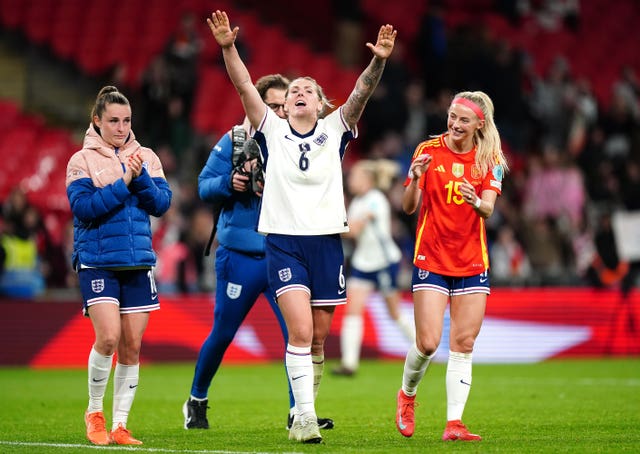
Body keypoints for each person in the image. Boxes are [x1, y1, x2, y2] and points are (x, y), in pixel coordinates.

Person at [207, 10, 396, 443]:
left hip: (327, 243)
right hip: (285, 243)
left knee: (319, 339)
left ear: (320, 102)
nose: (298, 93)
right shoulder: (270, 130)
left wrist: (378, 61)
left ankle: (305, 410)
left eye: (307, 90)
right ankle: (304, 419)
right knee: (301, 331)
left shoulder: (336, 127)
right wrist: (228, 47)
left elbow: (362, 92)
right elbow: (242, 85)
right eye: (293, 90)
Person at [182, 74, 333, 432]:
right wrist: (229, 183)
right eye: (274, 105)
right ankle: (197, 399)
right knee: (223, 332)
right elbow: (203, 188)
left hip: (283, 254)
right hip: (240, 256)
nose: (281, 111)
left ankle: (300, 412)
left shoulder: (292, 143)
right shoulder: (233, 142)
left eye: (284, 105)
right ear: (257, 105)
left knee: (297, 335)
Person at [395, 91, 508, 442]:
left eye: (463, 119)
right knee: (428, 343)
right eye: (452, 116)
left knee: (464, 342)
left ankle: (454, 423)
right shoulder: (427, 151)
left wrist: (477, 201)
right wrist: (414, 179)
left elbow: (488, 209)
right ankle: (407, 395)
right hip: (432, 257)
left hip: (472, 260)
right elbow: (409, 207)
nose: (455, 124)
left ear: (479, 124)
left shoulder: (492, 160)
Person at [65, 86, 172, 445]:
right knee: (108, 337)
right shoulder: (81, 161)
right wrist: (124, 181)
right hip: (97, 262)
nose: (121, 127)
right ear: (96, 120)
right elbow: (85, 209)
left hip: (137, 261)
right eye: (113, 120)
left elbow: (160, 203)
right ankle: (95, 412)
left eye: (126, 120)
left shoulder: (147, 157)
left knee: (131, 346)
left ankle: (120, 425)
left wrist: (138, 176)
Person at [333, 159, 414, 377]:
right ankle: (349, 364)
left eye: (354, 177)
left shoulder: (375, 200)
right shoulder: (358, 201)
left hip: (384, 263)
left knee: (394, 312)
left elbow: (353, 231)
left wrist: (326, 226)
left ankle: (423, 348)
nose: (350, 181)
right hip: (363, 262)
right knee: (352, 311)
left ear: (367, 180)